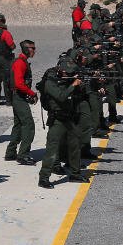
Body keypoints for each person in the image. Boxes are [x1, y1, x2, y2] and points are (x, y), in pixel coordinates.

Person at [37, 58, 89, 189]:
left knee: (74, 145)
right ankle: (43, 178)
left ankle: (75, 173)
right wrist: (73, 85)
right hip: (57, 119)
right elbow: (61, 96)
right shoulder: (50, 82)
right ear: (61, 71)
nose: (70, 75)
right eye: (68, 73)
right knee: (52, 148)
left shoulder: (67, 79)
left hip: (69, 117)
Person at [4, 40, 38, 165]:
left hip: (18, 97)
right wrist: (32, 93)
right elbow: (19, 84)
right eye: (32, 48)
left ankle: (10, 152)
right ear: (26, 49)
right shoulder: (20, 63)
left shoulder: (20, 62)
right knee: (29, 125)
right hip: (19, 97)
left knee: (18, 125)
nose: (34, 50)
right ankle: (23, 155)